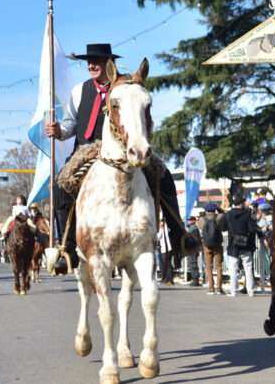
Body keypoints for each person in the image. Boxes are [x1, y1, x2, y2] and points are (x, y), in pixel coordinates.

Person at [44, 43, 185, 273]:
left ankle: (179, 236)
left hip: (122, 149)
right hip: (86, 150)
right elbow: (71, 124)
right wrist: (59, 131)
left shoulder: (126, 87)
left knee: (163, 176)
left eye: (97, 62)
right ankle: (67, 247)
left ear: (109, 64)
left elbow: (138, 116)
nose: (91, 65)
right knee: (61, 185)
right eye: (89, 62)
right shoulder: (79, 91)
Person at [219, 195, 259, 297]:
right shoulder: (248, 214)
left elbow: (222, 227)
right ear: (241, 204)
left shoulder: (228, 214)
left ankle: (233, 291)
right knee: (248, 268)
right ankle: (251, 291)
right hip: (246, 244)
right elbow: (252, 229)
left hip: (233, 244)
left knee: (233, 269)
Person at [199, 204, 224, 295]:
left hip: (207, 245)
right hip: (217, 245)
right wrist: (219, 209)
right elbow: (223, 213)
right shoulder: (218, 218)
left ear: (206, 210)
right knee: (219, 267)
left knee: (209, 267)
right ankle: (219, 288)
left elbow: (200, 228)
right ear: (214, 210)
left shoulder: (202, 219)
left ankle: (211, 288)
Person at [184, 216, 201, 287]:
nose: (189, 221)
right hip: (193, 249)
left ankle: (195, 280)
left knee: (193, 264)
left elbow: (194, 240)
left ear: (194, 221)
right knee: (192, 264)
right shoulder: (192, 228)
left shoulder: (193, 229)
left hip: (193, 249)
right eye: (188, 220)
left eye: (190, 220)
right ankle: (195, 279)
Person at [157, 220, 174, 285]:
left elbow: (158, 237)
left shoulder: (163, 229)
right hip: (166, 249)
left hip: (165, 249)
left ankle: (169, 279)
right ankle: (166, 279)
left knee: (167, 265)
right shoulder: (166, 228)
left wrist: (161, 228)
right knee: (165, 264)